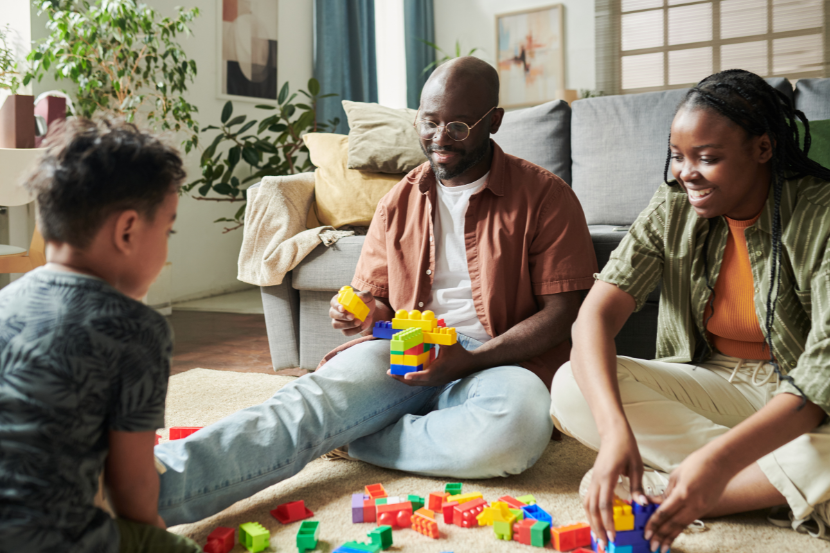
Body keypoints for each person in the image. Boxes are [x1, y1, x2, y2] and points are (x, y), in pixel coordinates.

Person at [153, 56, 597, 526]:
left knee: (518, 430)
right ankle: (147, 492)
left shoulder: (546, 196)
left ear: (495, 122)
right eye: (429, 122)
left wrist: (470, 359)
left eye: (460, 126)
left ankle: (351, 436)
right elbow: (378, 299)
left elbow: (562, 313)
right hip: (403, 354)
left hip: (498, 360)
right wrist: (366, 312)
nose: (440, 138)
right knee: (303, 406)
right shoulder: (399, 201)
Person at [550, 69, 830, 552]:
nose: (686, 173)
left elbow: (821, 377)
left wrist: (717, 461)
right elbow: (594, 317)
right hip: (719, 382)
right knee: (572, 385)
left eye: (708, 158)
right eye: (678, 157)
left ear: (763, 148)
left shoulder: (822, 215)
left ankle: (694, 489)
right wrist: (616, 432)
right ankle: (772, 482)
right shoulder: (673, 207)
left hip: (807, 403)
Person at [0, 116, 201, 553]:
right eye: (168, 230)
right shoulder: (136, 329)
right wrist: (153, 537)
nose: (167, 241)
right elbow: (131, 485)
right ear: (128, 230)